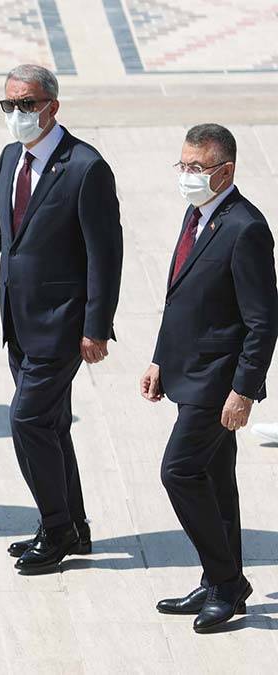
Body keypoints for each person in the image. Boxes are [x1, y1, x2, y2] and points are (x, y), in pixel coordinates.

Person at [0, 64, 123, 573]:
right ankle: (73, 525)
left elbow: (105, 255)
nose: (17, 114)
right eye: (9, 105)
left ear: (52, 107)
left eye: (27, 104)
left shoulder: (85, 168)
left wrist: (96, 327)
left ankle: (56, 530)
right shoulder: (8, 158)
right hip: (17, 320)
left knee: (28, 421)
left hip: (63, 324)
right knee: (52, 424)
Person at [141, 124, 278, 633]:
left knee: (178, 471)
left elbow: (263, 322)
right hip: (188, 374)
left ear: (226, 171)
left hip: (219, 385)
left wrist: (243, 391)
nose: (187, 176)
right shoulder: (198, 214)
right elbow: (181, 297)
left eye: (197, 168)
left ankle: (227, 581)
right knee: (218, 481)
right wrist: (160, 360)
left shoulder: (246, 228)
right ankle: (220, 580)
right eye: (183, 165)